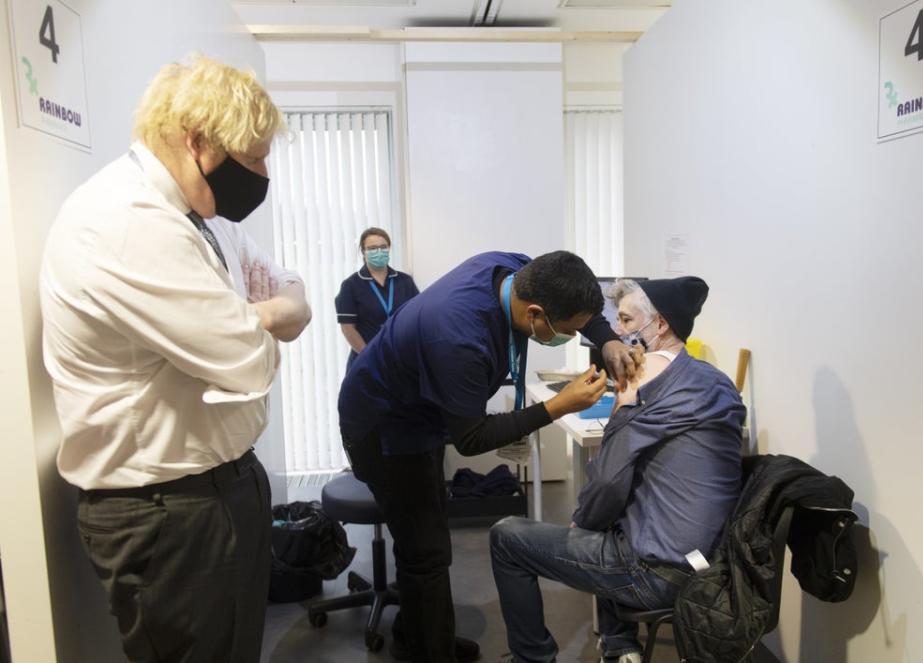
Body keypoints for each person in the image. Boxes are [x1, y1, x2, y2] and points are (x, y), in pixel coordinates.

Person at [39, 54, 310, 663]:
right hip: (169, 515)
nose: (264, 174)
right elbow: (248, 361)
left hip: (219, 490)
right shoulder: (126, 222)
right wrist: (264, 319)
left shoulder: (202, 216)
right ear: (197, 141)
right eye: (254, 157)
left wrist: (259, 313)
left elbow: (289, 288)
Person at [338, 250, 643, 662]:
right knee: (424, 550)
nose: (572, 337)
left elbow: (580, 308)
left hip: (419, 414)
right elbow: (472, 438)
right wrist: (558, 405)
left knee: (425, 539)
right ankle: (429, 651)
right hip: (383, 427)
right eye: (568, 331)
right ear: (535, 314)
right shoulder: (458, 337)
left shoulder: (516, 269)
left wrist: (606, 340)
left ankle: (416, 635)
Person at [489, 276, 745, 663]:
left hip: (660, 574)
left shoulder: (641, 377)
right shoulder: (716, 380)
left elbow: (608, 479)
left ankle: (533, 658)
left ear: (659, 325)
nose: (616, 333)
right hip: (716, 566)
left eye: (625, 321)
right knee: (613, 516)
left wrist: (583, 520)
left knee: (507, 537)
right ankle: (620, 644)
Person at [335, 227, 419, 369]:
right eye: (372, 248)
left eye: (383, 247)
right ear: (363, 252)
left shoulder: (405, 281)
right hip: (366, 360)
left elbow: (416, 317)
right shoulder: (351, 285)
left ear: (389, 249)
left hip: (401, 358)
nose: (379, 252)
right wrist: (369, 357)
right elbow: (348, 328)